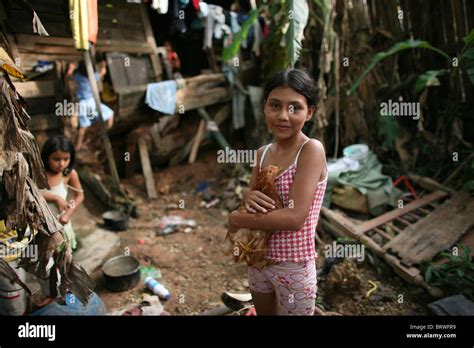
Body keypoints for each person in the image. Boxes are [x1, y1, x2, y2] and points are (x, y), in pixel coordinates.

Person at [228, 68, 328, 316]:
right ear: (264, 107)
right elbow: (253, 202)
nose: (283, 115)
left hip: (293, 267)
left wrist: (236, 218)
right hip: (259, 259)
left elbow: (294, 219)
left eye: (295, 107)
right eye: (275, 105)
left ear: (310, 113)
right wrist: (246, 198)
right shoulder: (262, 154)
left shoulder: (310, 150)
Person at [40, 135, 84, 252]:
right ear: (46, 157)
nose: (62, 164)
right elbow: (29, 192)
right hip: (39, 227)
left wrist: (68, 213)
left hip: (60, 226)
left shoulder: (68, 174)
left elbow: (79, 196)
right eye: (56, 159)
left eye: (66, 159)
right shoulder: (37, 172)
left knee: (61, 260)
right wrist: (55, 198)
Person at [71, 59, 114, 151]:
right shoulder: (94, 77)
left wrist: (71, 69)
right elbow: (103, 71)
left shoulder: (77, 76)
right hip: (92, 102)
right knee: (110, 116)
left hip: (82, 103)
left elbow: (70, 75)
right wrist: (103, 65)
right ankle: (98, 136)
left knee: (83, 127)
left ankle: (78, 145)